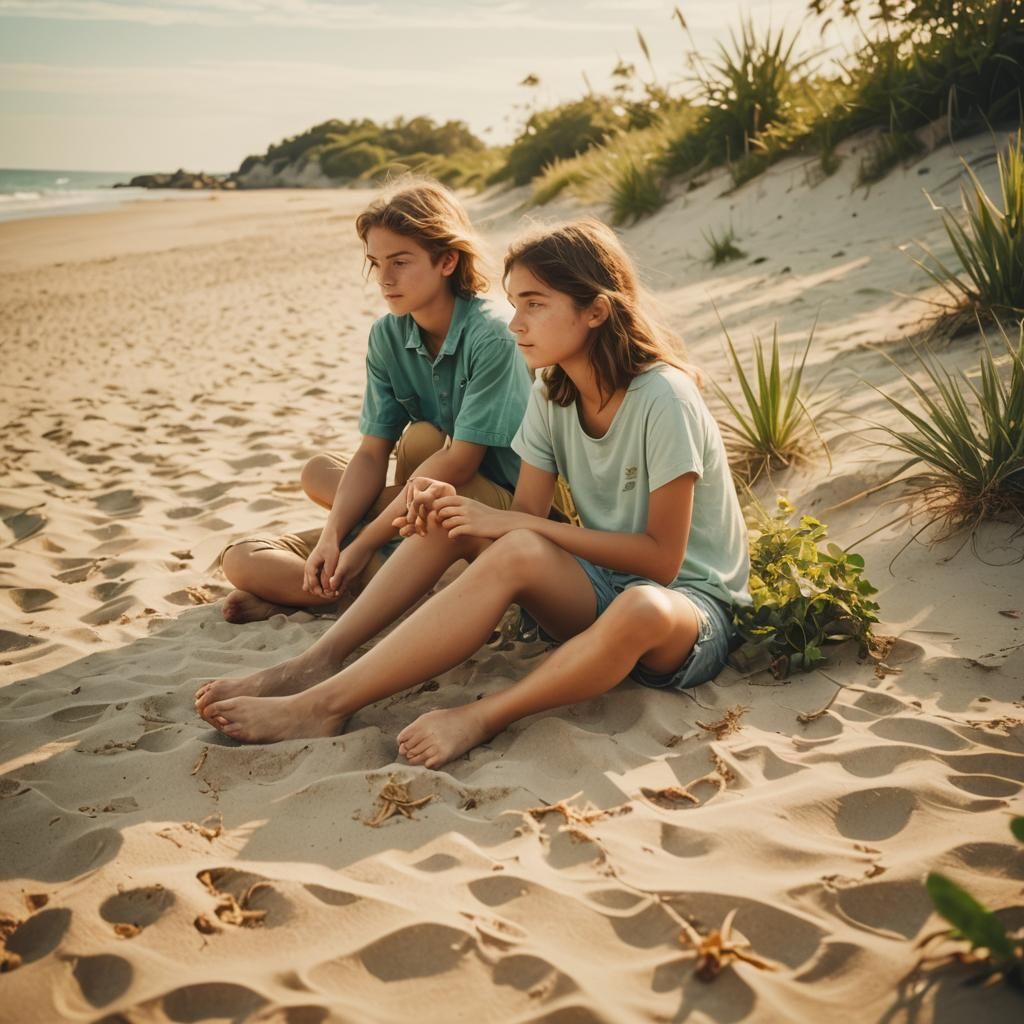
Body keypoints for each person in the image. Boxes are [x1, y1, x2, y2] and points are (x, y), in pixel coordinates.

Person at [195, 219, 751, 770]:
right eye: (514, 304)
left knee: (639, 604)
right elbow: (528, 519)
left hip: (685, 610)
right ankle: (319, 666)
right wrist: (472, 516)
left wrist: (507, 523)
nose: (515, 324)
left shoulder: (663, 396)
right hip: (595, 588)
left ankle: (481, 715)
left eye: (534, 304)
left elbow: (661, 559)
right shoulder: (552, 392)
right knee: (450, 516)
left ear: (596, 310)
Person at [217, 178, 531, 623]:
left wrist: (360, 542)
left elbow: (458, 465)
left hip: (492, 510)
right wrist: (331, 537)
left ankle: (331, 589)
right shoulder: (388, 335)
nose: (385, 278)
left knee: (423, 443)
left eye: (400, 262)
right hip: (415, 504)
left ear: (447, 260)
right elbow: (371, 451)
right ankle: (344, 589)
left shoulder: (492, 334)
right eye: (376, 262)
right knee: (245, 555)